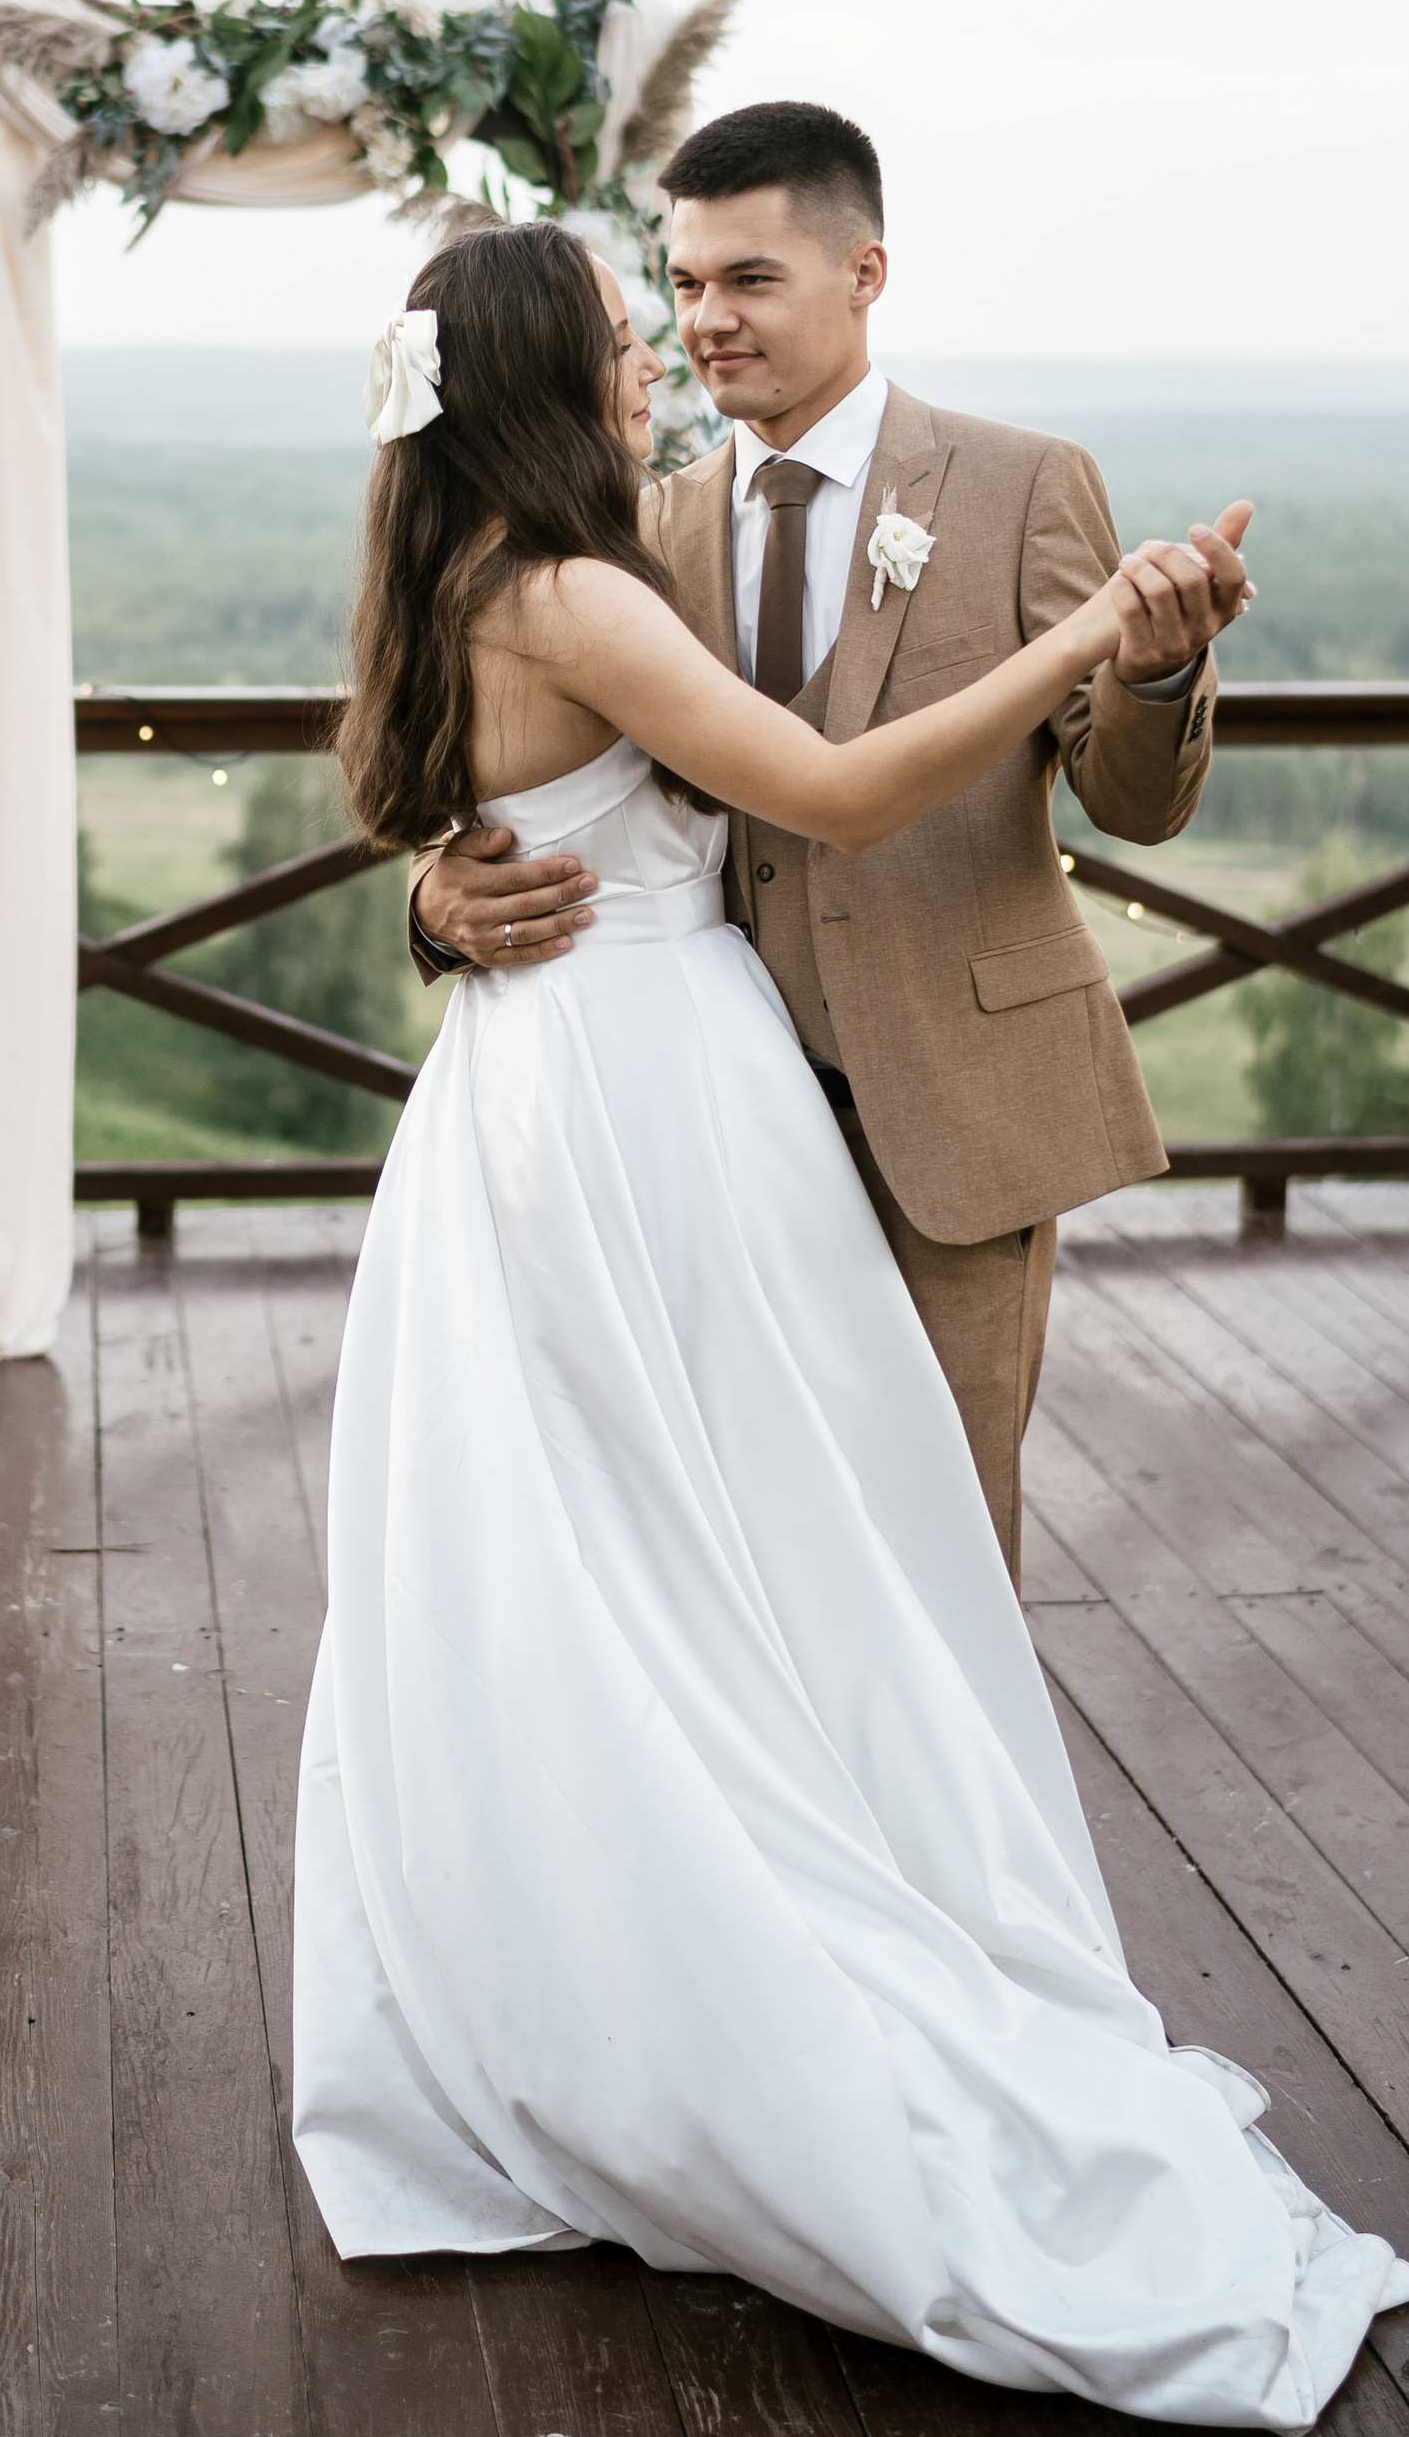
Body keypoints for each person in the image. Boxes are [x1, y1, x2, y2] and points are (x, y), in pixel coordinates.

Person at [291, 216, 1409, 2430]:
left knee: (654, 1582)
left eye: (701, 304)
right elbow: (816, 788)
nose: (662, 358)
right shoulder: (597, 572)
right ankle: (765, 2012)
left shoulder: (463, 568)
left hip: (583, 1120)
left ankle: (612, 1980)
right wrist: (1089, 629)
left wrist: (1135, 659)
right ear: (546, 377)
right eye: (629, 333)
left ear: (856, 271)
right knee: (717, 1581)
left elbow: (460, 787)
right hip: (655, 1118)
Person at [407, 100, 1236, 1583]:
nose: (708, 322)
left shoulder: (1021, 484)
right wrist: (436, 895)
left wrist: (1156, 668)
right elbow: (513, 758)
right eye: (682, 286)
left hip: (956, 1110)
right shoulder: (627, 533)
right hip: (703, 1139)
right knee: (735, 1556)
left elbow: (1132, 803)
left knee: (943, 1555)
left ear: (865, 274)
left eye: (750, 280)